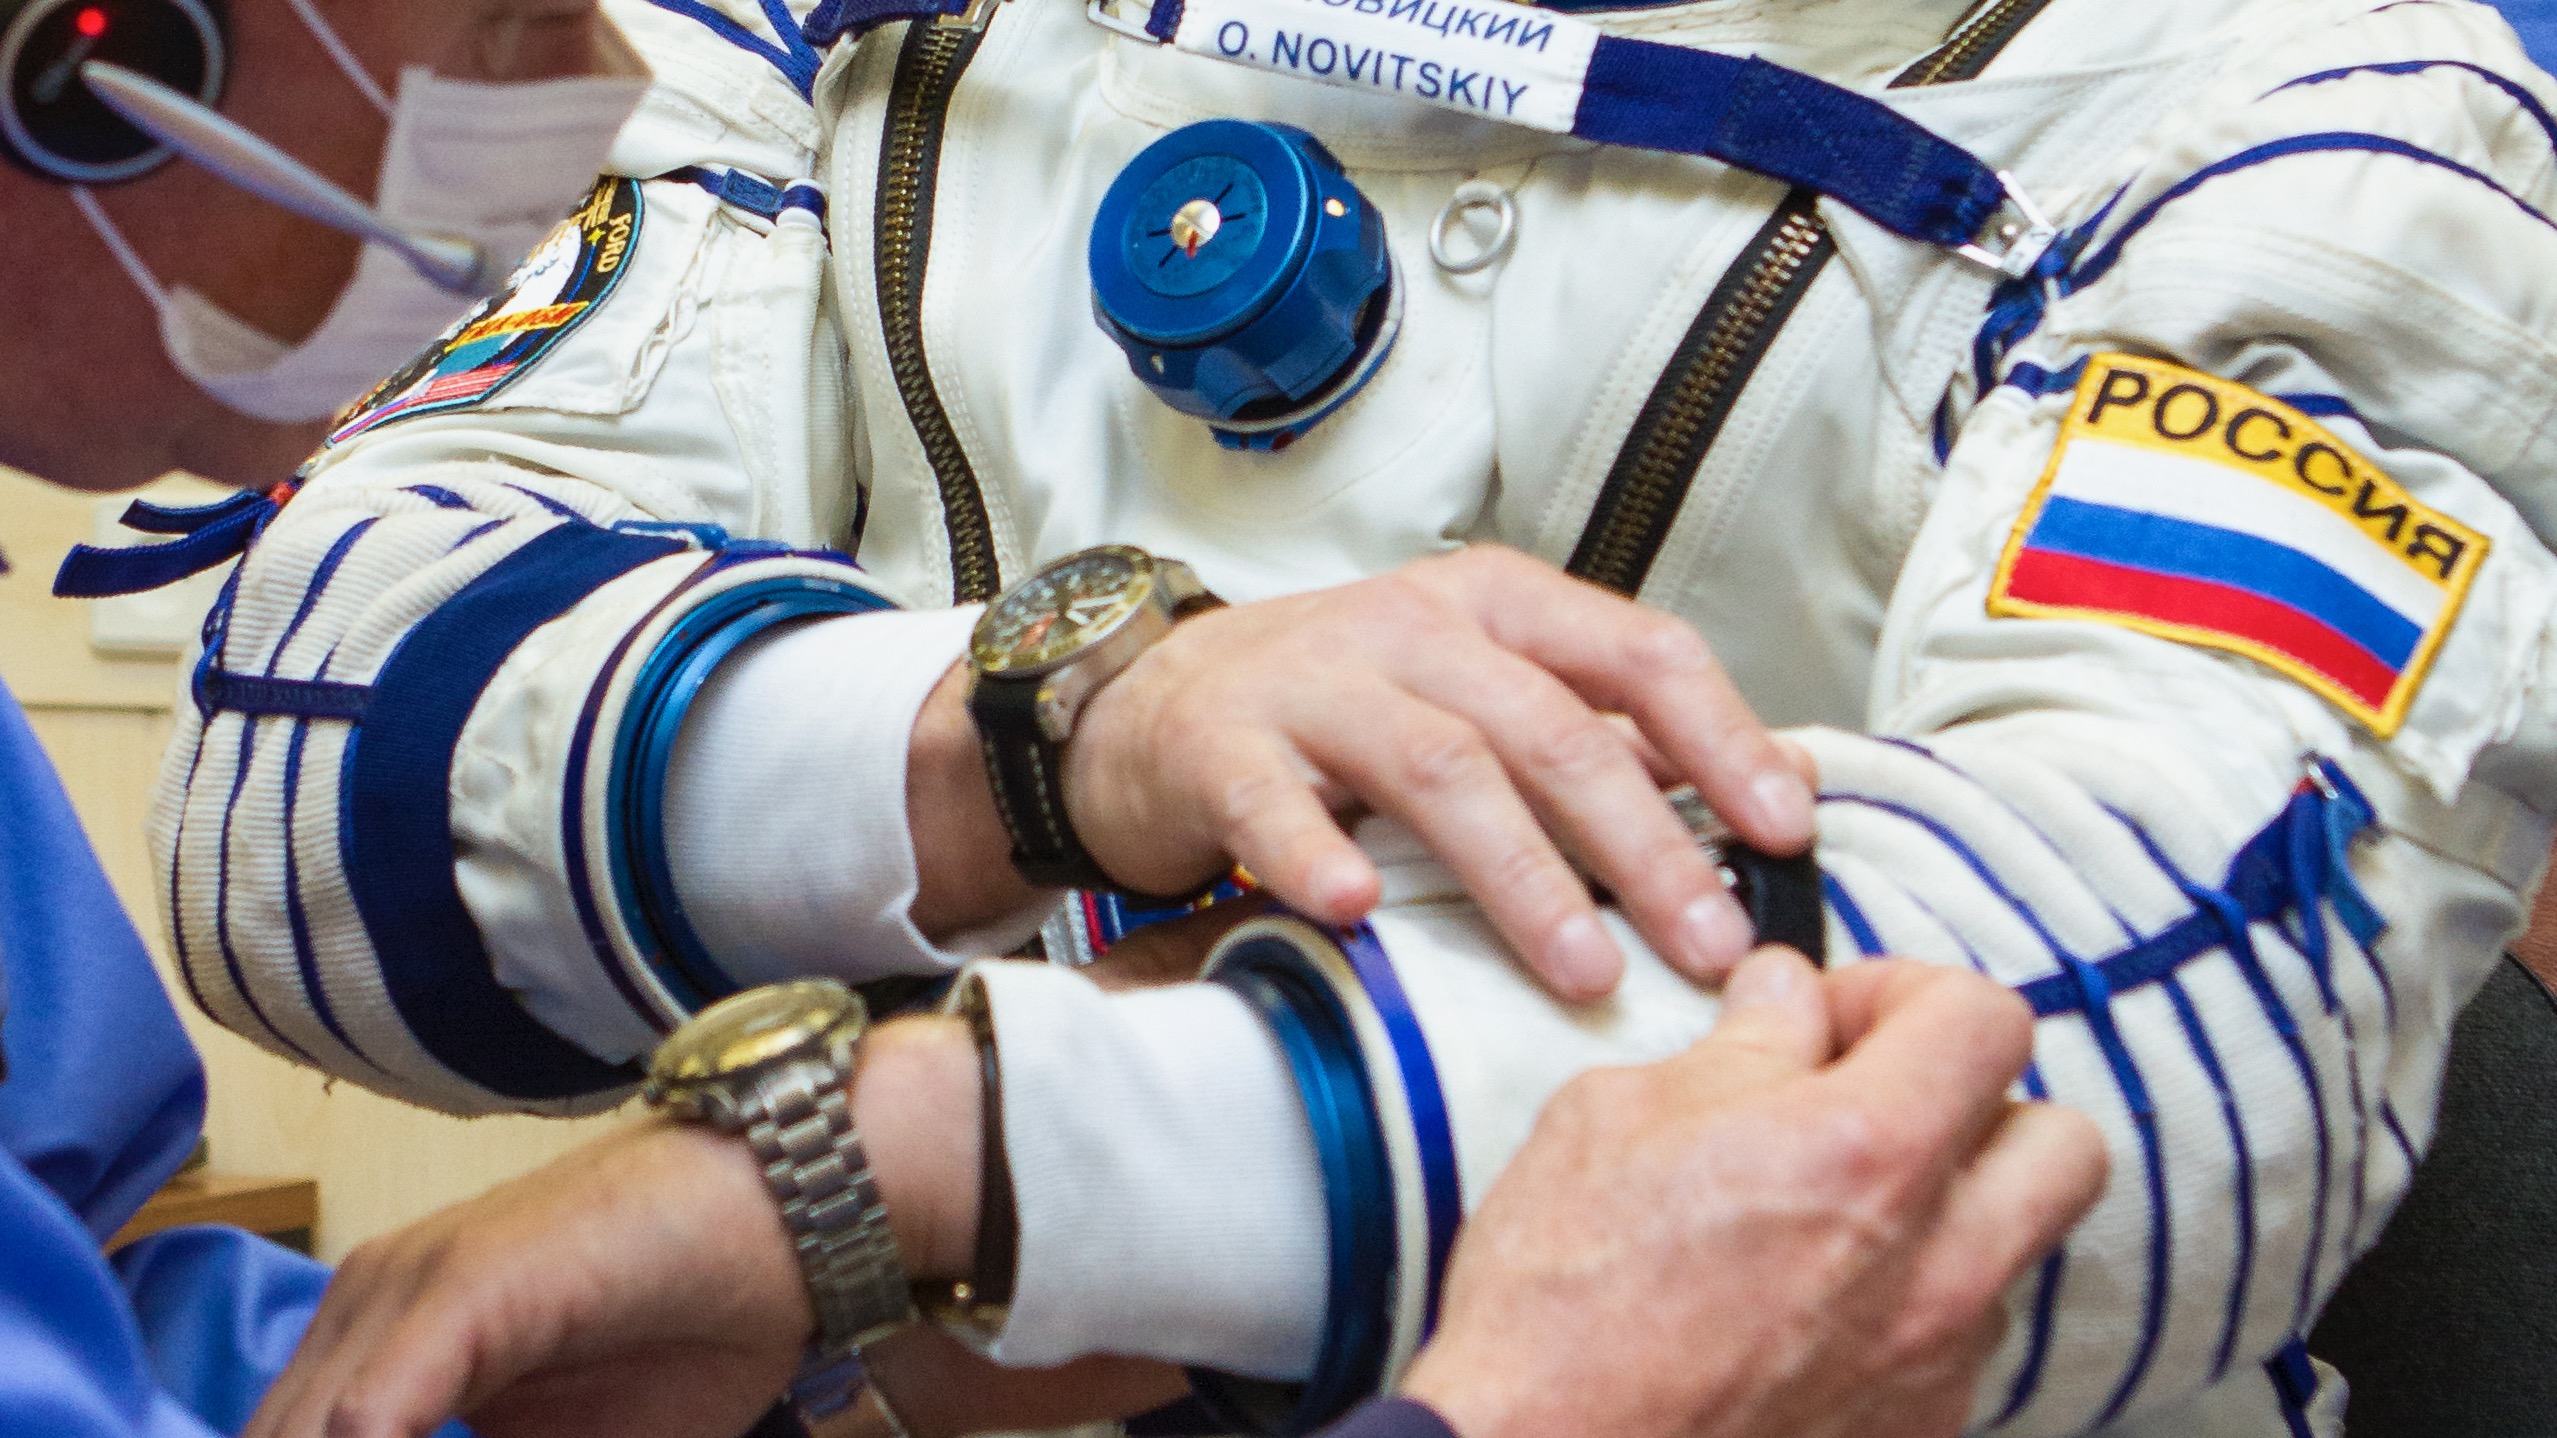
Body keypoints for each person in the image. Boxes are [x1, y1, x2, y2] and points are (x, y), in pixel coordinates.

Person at [68, 0, 2557, 1435]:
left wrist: (938, 1156)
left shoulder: (2315, 106)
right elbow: (299, 769)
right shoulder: (820, 31)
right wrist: (1053, 721)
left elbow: (2153, 1011)